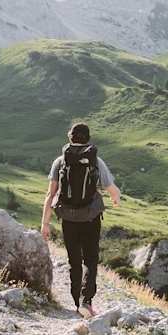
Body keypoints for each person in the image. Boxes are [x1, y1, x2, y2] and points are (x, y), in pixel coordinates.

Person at [40, 123, 120, 318]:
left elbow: (50, 195)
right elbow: (112, 190)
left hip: (67, 218)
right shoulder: (95, 161)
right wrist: (116, 199)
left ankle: (77, 303)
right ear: (88, 139)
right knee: (90, 260)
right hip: (91, 218)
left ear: (70, 138)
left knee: (74, 261)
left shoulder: (60, 161)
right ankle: (87, 301)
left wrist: (45, 223)